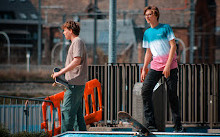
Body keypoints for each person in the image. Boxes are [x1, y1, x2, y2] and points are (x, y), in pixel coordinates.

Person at [141, 6, 184, 132]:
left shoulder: (166, 28)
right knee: (145, 90)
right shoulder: (147, 33)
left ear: (155, 15)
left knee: (172, 95)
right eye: (146, 15)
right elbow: (148, 52)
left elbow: (173, 47)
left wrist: (167, 65)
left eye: (149, 14)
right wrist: (144, 68)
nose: (147, 17)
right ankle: (151, 124)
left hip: (170, 67)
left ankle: (178, 126)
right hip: (155, 66)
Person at [52, 20, 87, 133]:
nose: (63, 33)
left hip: (74, 84)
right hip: (75, 83)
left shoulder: (77, 42)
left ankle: (65, 135)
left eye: (64, 30)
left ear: (71, 31)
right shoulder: (77, 42)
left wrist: (60, 72)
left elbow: (77, 61)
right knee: (77, 113)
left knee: (67, 111)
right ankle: (82, 135)